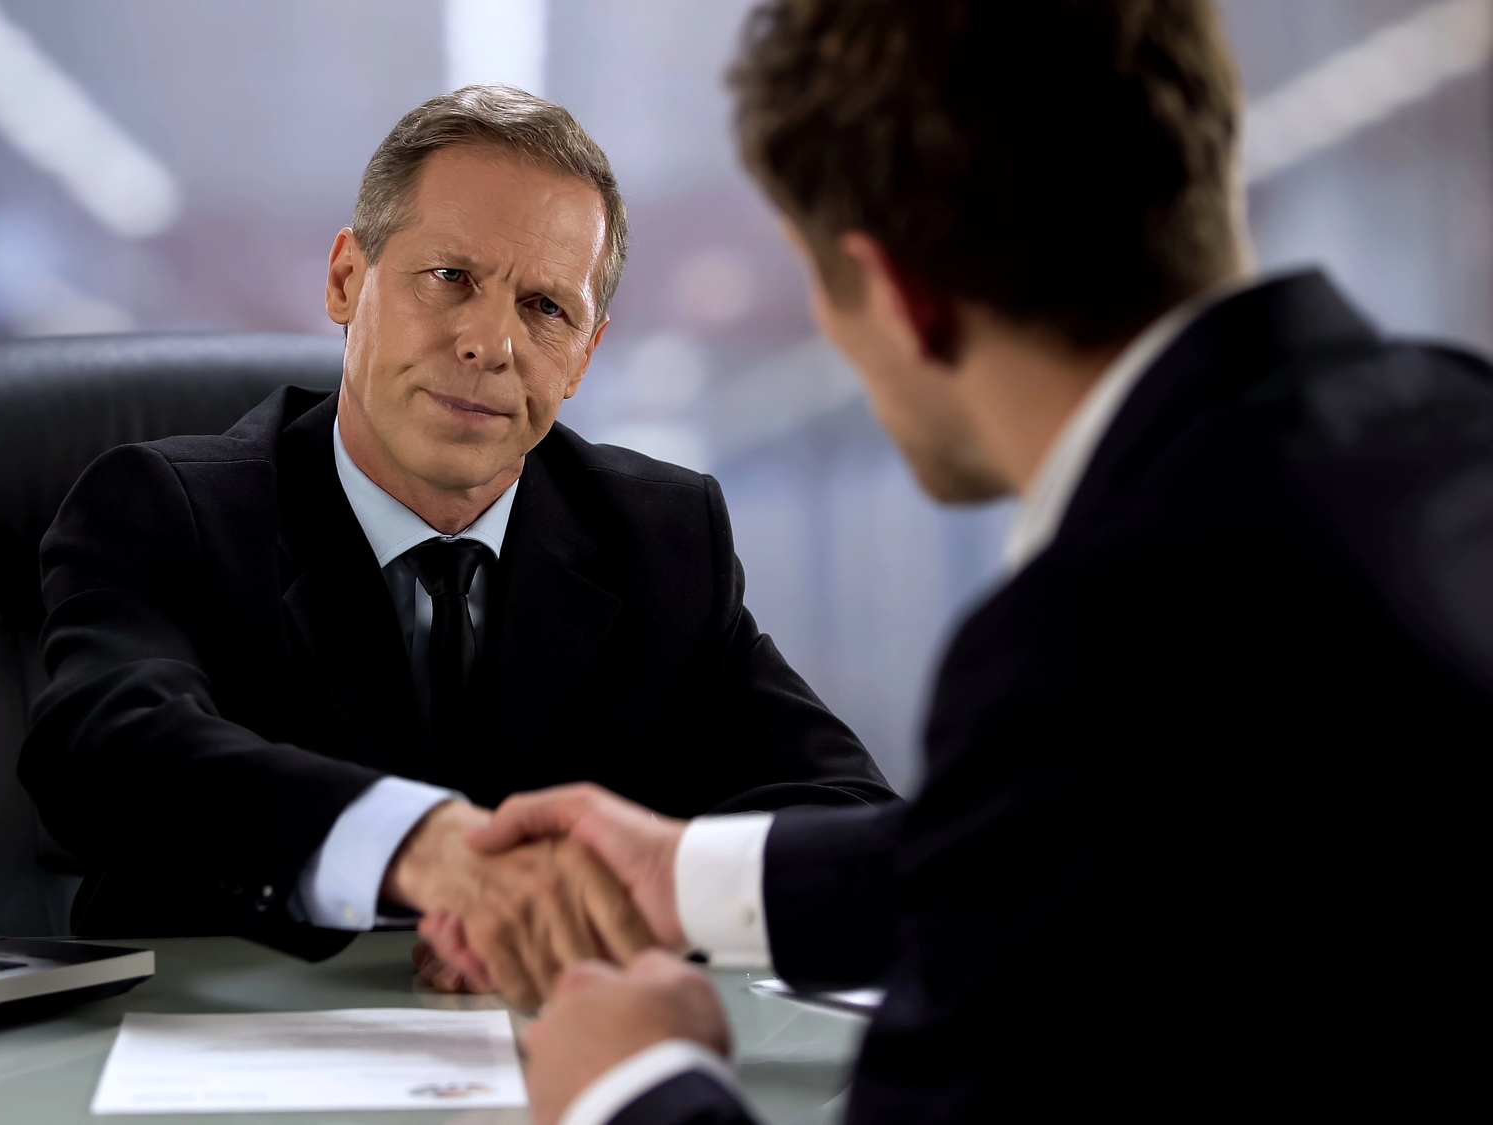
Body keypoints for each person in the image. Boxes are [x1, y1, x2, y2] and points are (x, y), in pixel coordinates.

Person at [433, 0, 1493, 1120]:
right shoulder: (1446, 422)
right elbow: (1146, 846)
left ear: (901, 294)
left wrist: (634, 1082)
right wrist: (690, 875)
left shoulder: (1090, 640)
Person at [19, 85, 895, 1008]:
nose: (492, 342)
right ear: (346, 282)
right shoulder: (169, 509)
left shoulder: (662, 538)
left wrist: (650, 889)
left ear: (585, 356)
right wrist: (421, 847)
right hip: (225, 1062)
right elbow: (101, 751)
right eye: (450, 278)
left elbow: (856, 822)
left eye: (546, 308)